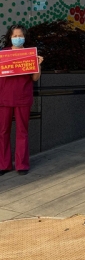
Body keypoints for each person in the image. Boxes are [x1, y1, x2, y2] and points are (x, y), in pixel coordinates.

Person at [0, 24, 43, 176]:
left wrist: (38, 64)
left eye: (20, 36)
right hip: (4, 98)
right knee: (3, 131)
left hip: (23, 97)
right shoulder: (3, 54)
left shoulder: (29, 54)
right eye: (15, 36)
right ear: (10, 37)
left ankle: (22, 164)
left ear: (24, 37)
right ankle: (3, 164)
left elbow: (35, 78)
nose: (18, 38)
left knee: (22, 132)